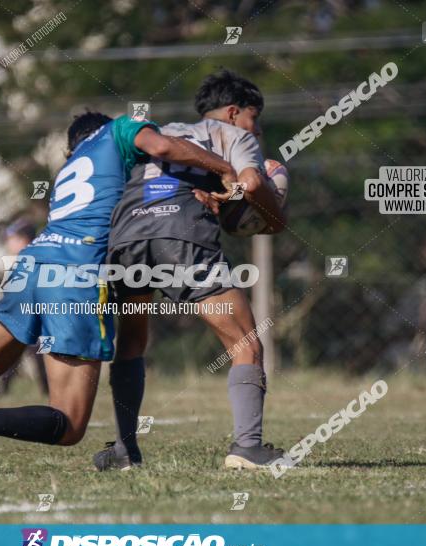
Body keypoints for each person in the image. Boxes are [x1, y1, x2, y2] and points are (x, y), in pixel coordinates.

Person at [0, 110, 237, 475]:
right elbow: (162, 146)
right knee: (70, 424)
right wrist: (221, 168)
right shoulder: (120, 130)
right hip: (74, 275)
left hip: (31, 265)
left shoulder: (71, 168)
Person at [93, 69, 287, 472]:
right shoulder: (235, 137)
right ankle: (248, 448)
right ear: (234, 113)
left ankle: (125, 451)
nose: (257, 128)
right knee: (245, 343)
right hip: (179, 233)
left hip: (127, 234)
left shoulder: (164, 129)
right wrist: (271, 196)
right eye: (255, 118)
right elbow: (249, 184)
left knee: (130, 344)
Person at [0, 217, 49, 396]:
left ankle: (47, 389)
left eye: (12, 239)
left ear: (24, 241)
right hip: (20, 318)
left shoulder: (31, 261)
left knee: (39, 353)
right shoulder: (15, 262)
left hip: (35, 318)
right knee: (11, 355)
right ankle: (3, 389)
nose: (8, 243)